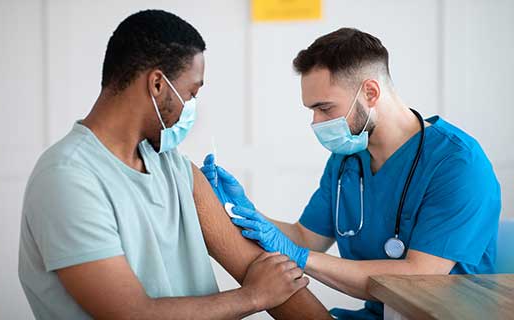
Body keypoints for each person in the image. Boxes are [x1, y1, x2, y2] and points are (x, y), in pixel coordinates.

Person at [18, 9, 332, 319]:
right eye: (190, 93)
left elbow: (257, 267)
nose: (191, 108)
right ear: (157, 84)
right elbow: (131, 314)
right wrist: (251, 297)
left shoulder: (174, 167)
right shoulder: (67, 179)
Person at [202, 27, 501, 319]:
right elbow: (306, 236)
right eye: (312, 111)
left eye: (325, 108)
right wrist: (240, 211)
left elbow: (420, 276)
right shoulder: (347, 158)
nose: (316, 122)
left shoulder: (457, 163)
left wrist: (301, 257)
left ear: (370, 92)